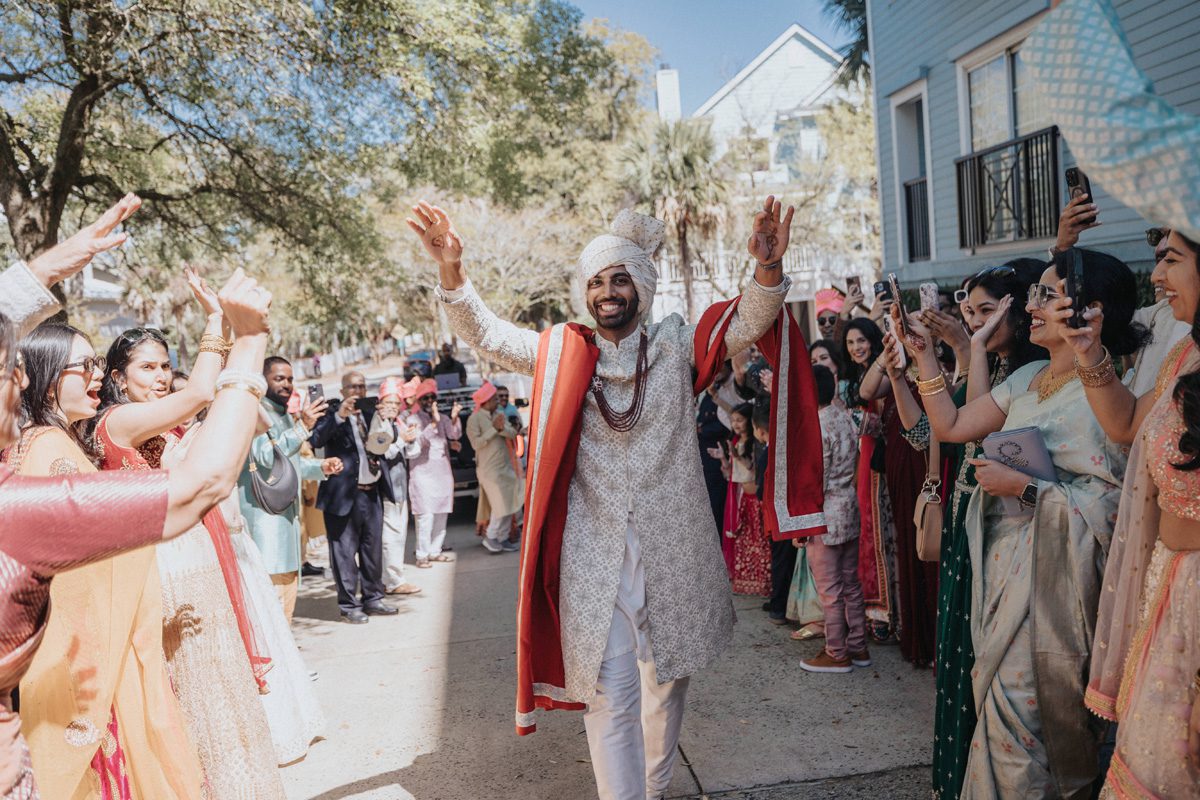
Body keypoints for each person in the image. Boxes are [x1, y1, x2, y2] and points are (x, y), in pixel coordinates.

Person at [406, 195, 825, 800]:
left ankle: (653, 790)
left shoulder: (676, 346)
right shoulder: (563, 352)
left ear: (642, 290)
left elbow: (746, 324)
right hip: (593, 559)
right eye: (596, 280)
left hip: (671, 549)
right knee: (610, 698)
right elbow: (490, 335)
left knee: (664, 690)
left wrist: (766, 268)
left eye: (619, 279)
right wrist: (451, 271)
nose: (606, 291)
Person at [0, 198, 272, 797]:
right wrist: (246, 342)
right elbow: (199, 483)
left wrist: (53, 265)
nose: (14, 381)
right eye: (6, 372)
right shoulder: (29, 489)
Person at [908, 250, 1146, 799]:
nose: (1030, 307)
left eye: (1044, 294)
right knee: (995, 715)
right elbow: (951, 425)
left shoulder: (1113, 393)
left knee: (1025, 725)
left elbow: (1113, 509)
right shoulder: (1031, 376)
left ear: (1090, 310)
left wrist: (1029, 488)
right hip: (1003, 569)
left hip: (1057, 587)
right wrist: (925, 356)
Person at [4, 323, 204, 799]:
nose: (97, 376)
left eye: (97, 364)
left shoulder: (54, 440)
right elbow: (80, 573)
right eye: (85, 366)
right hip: (86, 659)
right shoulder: (49, 447)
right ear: (47, 373)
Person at [97, 309, 285, 798]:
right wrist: (219, 324)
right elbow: (201, 392)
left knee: (223, 680)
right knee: (190, 687)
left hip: (200, 557)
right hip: (163, 568)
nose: (160, 377)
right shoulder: (117, 422)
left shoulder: (170, 425)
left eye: (165, 366)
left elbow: (240, 420)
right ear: (117, 378)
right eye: (147, 368)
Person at [885, 261, 1045, 800]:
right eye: (968, 310)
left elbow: (969, 435)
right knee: (958, 661)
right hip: (965, 523)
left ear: (1017, 312)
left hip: (1003, 536)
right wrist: (898, 372)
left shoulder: (1026, 376)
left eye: (984, 311)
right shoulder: (999, 371)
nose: (972, 320)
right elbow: (927, 433)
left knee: (987, 671)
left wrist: (959, 347)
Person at [1076, 231, 1200, 796]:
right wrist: (1089, 354)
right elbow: (1127, 425)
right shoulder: (1185, 356)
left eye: (1170, 260)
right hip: (1169, 590)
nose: (1156, 278)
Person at [240, 355, 340, 621]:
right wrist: (303, 427)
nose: (287, 384)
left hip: (287, 527)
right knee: (271, 612)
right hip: (266, 527)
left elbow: (289, 465)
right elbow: (266, 458)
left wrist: (320, 468)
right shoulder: (254, 413)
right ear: (263, 381)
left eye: (290, 379)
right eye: (279, 378)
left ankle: (287, 663)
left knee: (285, 608)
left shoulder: (283, 415)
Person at [310, 371, 399, 623]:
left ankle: (373, 598)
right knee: (344, 553)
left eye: (362, 386)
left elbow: (385, 444)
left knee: (372, 550)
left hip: (371, 493)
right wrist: (340, 416)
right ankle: (349, 605)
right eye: (353, 387)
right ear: (342, 391)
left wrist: (387, 421)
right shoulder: (330, 413)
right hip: (342, 495)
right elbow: (316, 439)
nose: (358, 392)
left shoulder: (371, 413)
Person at [799, 364, 869, 673]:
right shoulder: (844, 417)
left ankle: (836, 651)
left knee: (829, 589)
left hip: (825, 514)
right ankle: (858, 647)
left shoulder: (816, 427)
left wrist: (803, 522)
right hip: (849, 507)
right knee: (850, 584)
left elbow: (816, 477)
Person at [839, 318, 900, 642]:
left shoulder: (886, 368)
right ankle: (870, 606)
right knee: (866, 528)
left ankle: (885, 611)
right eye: (850, 343)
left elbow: (884, 417)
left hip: (881, 457)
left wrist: (861, 421)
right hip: (862, 458)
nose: (856, 347)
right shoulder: (853, 377)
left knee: (879, 529)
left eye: (861, 340)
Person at [375, 377, 423, 596]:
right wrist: (402, 439)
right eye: (390, 402)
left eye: (397, 403)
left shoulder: (397, 423)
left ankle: (394, 577)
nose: (394, 407)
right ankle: (392, 580)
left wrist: (410, 439)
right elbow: (383, 452)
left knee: (398, 534)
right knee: (391, 536)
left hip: (400, 485)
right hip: (388, 487)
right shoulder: (379, 423)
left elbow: (411, 453)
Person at [407, 379, 462, 568]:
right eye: (425, 398)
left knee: (441, 513)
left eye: (432, 397)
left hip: (442, 473)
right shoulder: (413, 420)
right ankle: (422, 555)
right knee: (425, 516)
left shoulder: (443, 418)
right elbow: (417, 444)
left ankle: (435, 550)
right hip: (422, 474)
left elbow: (454, 435)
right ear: (419, 401)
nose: (429, 401)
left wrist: (454, 417)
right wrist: (432, 423)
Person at [466, 381, 522, 554]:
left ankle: (503, 538)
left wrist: (500, 428)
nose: (498, 401)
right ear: (486, 401)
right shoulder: (474, 419)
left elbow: (512, 434)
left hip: (505, 466)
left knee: (511, 503)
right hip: (489, 471)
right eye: (495, 399)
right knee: (499, 505)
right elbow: (476, 444)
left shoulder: (498, 413)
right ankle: (491, 537)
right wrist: (493, 429)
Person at [726, 403, 771, 596]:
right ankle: (748, 579)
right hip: (742, 494)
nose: (736, 424)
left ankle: (762, 581)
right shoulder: (735, 440)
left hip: (754, 496)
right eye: (733, 420)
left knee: (758, 540)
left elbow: (753, 469)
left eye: (740, 420)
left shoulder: (755, 445)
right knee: (744, 538)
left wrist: (737, 456)